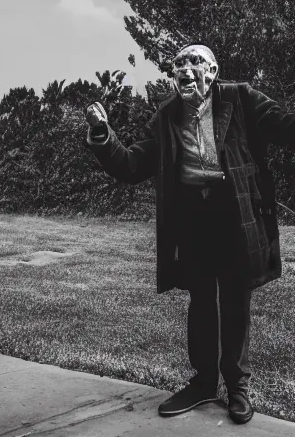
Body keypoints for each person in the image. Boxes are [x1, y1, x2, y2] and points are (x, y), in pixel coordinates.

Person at [85, 44, 295, 425]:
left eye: (194, 61)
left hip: (234, 214)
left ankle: (237, 388)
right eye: (179, 63)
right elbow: (132, 165)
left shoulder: (240, 97)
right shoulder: (166, 116)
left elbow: (285, 127)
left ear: (212, 70)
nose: (184, 68)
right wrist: (103, 134)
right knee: (200, 300)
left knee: (235, 300)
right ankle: (203, 382)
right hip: (193, 220)